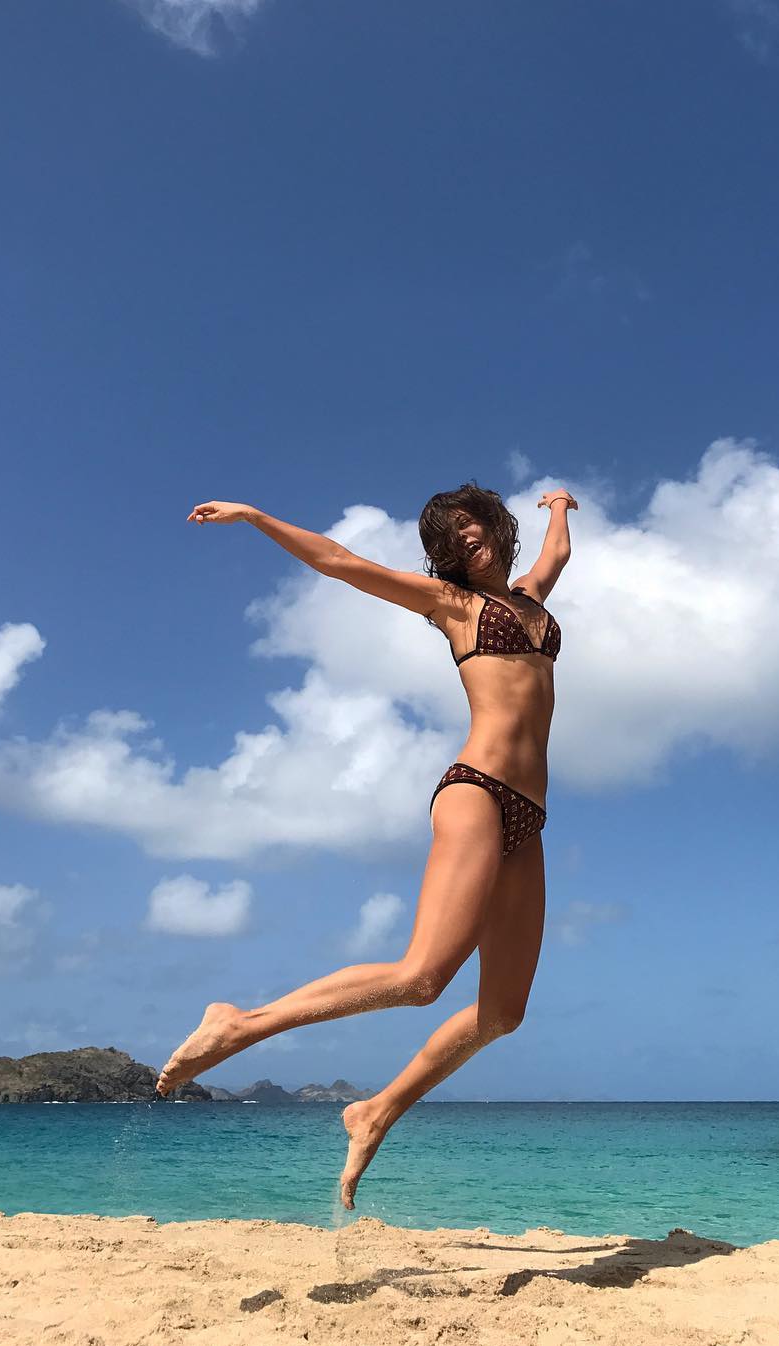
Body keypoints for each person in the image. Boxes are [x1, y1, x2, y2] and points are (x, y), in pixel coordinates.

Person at [155, 482, 577, 1208]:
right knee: (421, 977)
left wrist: (560, 506)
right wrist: (255, 515)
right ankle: (240, 1023)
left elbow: (556, 555)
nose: (466, 537)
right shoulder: (452, 605)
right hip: (477, 789)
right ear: (446, 552)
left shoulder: (532, 598)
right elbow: (340, 561)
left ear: (494, 526)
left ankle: (375, 1111)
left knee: (503, 1011)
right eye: (452, 534)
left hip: (529, 816)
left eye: (473, 523)